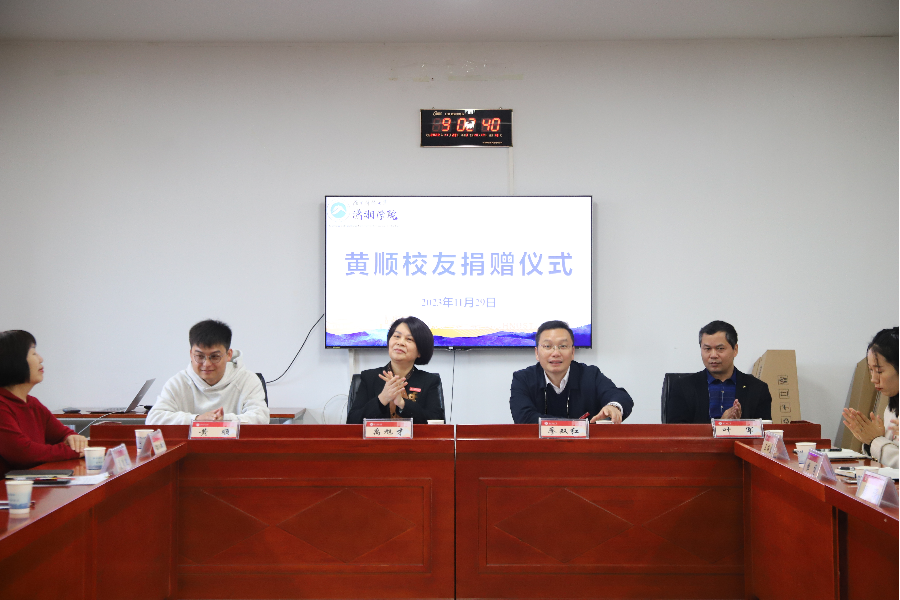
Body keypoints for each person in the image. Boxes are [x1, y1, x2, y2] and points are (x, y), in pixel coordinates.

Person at [146, 319, 269, 425]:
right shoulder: (178, 382)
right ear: (191, 354)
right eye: (200, 356)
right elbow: (153, 418)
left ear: (229, 355)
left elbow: (261, 418)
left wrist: (224, 420)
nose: (206, 364)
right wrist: (196, 419)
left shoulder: (247, 380)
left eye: (215, 356)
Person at [509, 320, 633, 424]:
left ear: (573, 352)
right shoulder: (523, 379)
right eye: (547, 346)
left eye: (563, 346)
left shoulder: (590, 375)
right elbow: (524, 417)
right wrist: (575, 426)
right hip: (539, 446)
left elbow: (619, 396)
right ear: (537, 353)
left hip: (585, 446)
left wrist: (614, 407)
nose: (556, 353)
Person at [0, 330, 87, 475]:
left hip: (34, 482)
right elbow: (24, 453)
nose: (41, 359)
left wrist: (74, 439)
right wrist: (74, 450)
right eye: (33, 353)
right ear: (14, 360)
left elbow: (63, 434)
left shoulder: (32, 403)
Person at [667, 320, 772, 423]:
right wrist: (721, 423)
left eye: (720, 348)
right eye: (707, 349)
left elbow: (764, 431)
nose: (713, 355)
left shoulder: (757, 388)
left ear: (735, 349)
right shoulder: (682, 388)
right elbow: (676, 432)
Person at [346, 316, 444, 424]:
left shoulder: (430, 381)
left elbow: (437, 423)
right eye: (397, 336)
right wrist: (382, 399)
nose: (400, 343)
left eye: (409, 339)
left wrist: (402, 404)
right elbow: (352, 422)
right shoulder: (369, 377)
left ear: (420, 351)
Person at [842, 327, 898, 468]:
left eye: (879, 371)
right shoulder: (891, 408)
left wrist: (875, 440)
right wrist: (870, 441)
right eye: (871, 370)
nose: (873, 379)